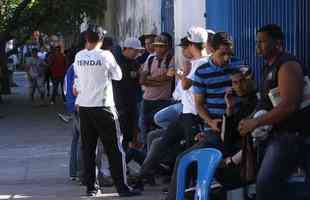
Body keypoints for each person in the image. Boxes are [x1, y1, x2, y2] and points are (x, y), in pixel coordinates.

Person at [164, 32, 244, 200]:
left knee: (232, 171)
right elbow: (199, 105)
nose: (227, 58)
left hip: (238, 130)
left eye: (230, 53)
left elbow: (248, 97)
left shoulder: (239, 67)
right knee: (183, 161)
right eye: (222, 54)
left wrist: (241, 88)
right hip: (213, 130)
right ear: (211, 50)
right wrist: (211, 123)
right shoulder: (202, 72)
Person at [238, 24, 310, 200]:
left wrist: (255, 123)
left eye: (262, 42)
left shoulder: (288, 65)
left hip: (293, 136)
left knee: (266, 186)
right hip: (278, 135)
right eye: (257, 41)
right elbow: (266, 102)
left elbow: (289, 105)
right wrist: (249, 119)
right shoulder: (267, 68)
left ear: (277, 43)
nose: (258, 46)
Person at [73, 26, 141, 197]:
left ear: (86, 39)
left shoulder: (79, 56)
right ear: (101, 40)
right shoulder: (106, 55)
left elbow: (78, 80)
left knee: (89, 148)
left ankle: (91, 188)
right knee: (115, 149)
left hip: (85, 107)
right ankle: (122, 188)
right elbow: (118, 75)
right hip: (104, 107)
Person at [139, 33, 175, 146]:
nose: (158, 49)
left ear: (167, 47)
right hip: (147, 101)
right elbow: (142, 80)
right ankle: (145, 154)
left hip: (163, 101)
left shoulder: (171, 59)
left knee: (158, 128)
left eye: (161, 46)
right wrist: (157, 80)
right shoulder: (150, 59)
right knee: (144, 129)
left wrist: (150, 80)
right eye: (156, 46)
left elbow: (167, 79)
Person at [113, 37, 144, 149]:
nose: (137, 54)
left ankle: (125, 159)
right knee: (121, 134)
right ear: (128, 49)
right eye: (135, 51)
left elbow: (139, 76)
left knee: (130, 133)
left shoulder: (133, 62)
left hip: (132, 102)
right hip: (120, 104)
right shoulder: (117, 62)